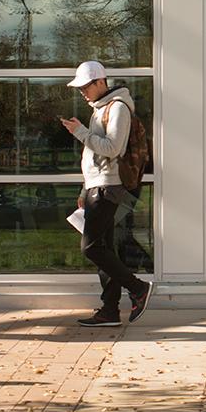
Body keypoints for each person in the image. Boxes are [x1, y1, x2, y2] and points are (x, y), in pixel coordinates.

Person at [61, 60, 153, 327]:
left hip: (107, 188)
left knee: (91, 247)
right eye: (79, 88)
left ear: (101, 82)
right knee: (104, 248)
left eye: (86, 86)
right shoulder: (100, 108)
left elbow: (112, 148)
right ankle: (109, 311)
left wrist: (80, 132)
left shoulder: (118, 109)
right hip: (97, 186)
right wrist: (84, 188)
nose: (82, 92)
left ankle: (138, 289)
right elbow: (93, 155)